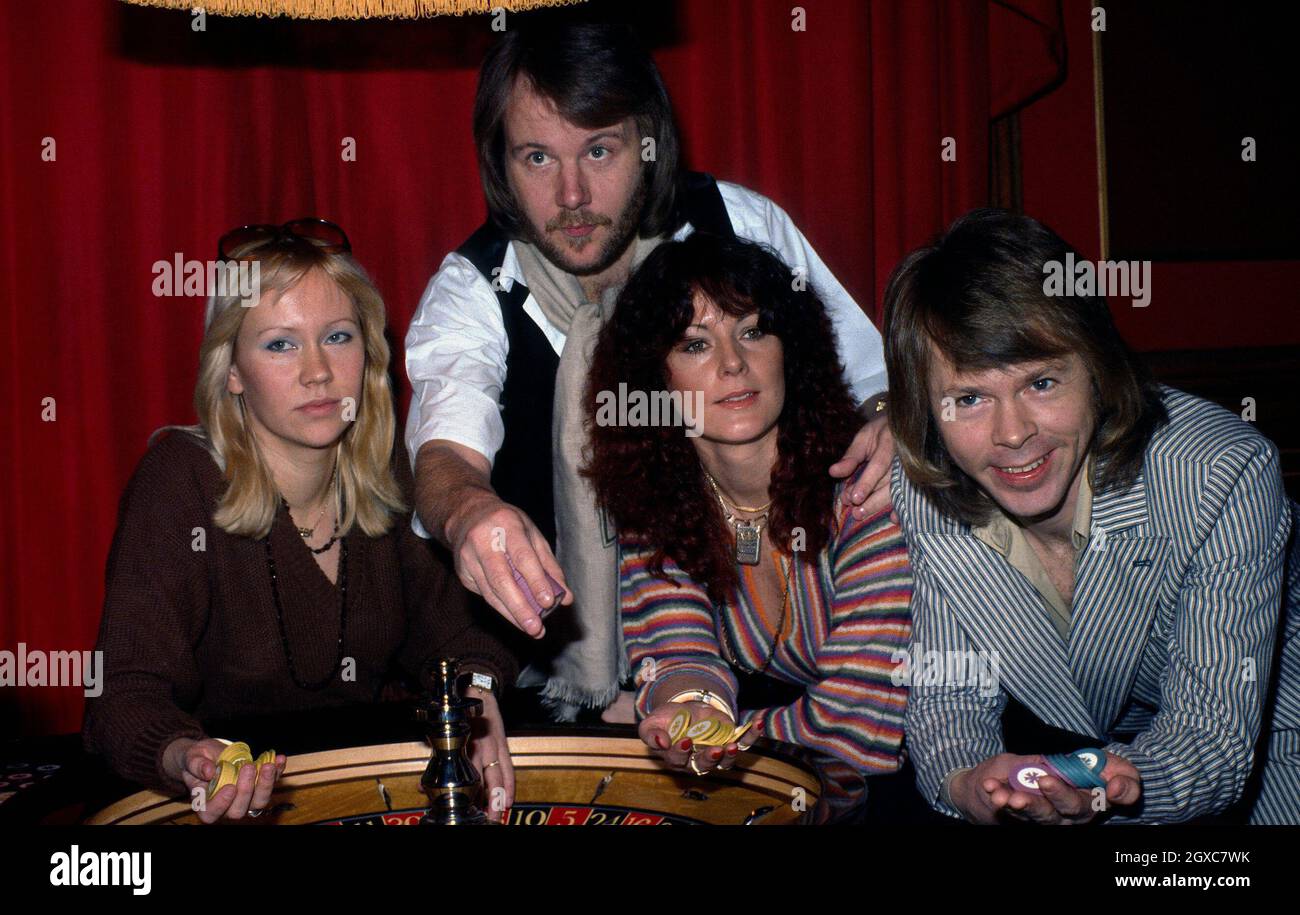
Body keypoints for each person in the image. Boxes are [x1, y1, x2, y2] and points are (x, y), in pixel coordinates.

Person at [404, 20, 897, 720]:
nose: (572, 195)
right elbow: (445, 454)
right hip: (547, 688)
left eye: (599, 150)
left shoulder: (737, 225)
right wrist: (469, 511)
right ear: (501, 167)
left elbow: (874, 382)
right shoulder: (473, 287)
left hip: (772, 671)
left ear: (649, 144)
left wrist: (887, 425)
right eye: (538, 158)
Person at [83, 219, 519, 823]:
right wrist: (186, 754)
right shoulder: (178, 481)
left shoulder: (391, 466)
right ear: (232, 370)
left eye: (338, 336)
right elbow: (123, 694)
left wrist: (477, 694)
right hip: (221, 810)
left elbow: (459, 638)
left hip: (362, 792)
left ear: (368, 354)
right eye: (281, 344)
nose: (318, 371)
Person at [884, 208, 1299, 824]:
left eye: (1042, 383)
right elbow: (950, 700)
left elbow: (1211, 742)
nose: (1012, 434)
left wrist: (1102, 788)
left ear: (1097, 369)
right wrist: (969, 783)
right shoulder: (925, 492)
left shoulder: (1221, 473)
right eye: (969, 398)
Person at [583, 232, 912, 784]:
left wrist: (728, 730)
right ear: (654, 380)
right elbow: (681, 657)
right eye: (695, 344)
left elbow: (858, 734)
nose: (734, 363)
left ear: (792, 348)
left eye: (753, 331)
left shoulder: (863, 488)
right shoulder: (660, 506)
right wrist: (686, 710)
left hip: (962, 775)